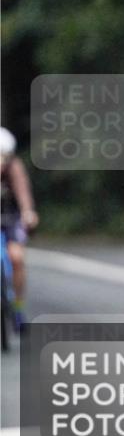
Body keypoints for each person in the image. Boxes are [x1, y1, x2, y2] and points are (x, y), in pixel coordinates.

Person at [0, 127, 39, 330]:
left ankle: (17, 308)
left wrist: (28, 212)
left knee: (16, 258)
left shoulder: (14, 168)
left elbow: (23, 192)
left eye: (3, 157)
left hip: (11, 218)